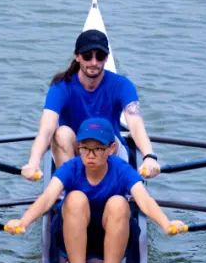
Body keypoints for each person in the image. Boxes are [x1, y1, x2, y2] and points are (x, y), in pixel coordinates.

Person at [5, 117, 186, 263]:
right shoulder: (72, 168)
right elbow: (47, 198)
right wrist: (23, 222)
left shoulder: (122, 169)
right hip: (71, 232)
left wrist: (166, 223)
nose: (90, 156)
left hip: (112, 232)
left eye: (98, 149)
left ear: (111, 149)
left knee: (118, 203)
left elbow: (144, 201)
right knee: (75, 198)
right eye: (85, 148)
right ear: (79, 147)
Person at [20, 28, 161, 181]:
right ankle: (72, 189)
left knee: (101, 135)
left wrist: (149, 156)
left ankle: (101, 184)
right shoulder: (61, 87)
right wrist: (33, 162)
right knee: (61, 133)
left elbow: (135, 124)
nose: (94, 63)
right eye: (87, 56)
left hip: (110, 150)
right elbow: (46, 128)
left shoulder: (122, 85)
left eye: (99, 56)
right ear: (77, 56)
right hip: (75, 151)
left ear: (107, 58)